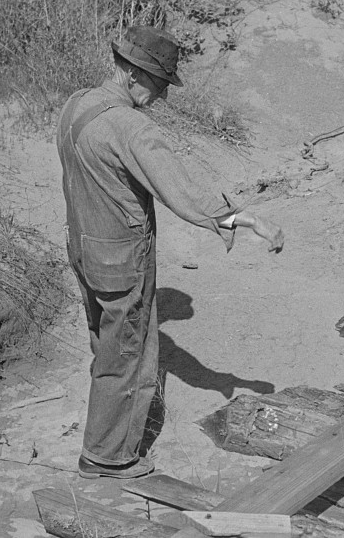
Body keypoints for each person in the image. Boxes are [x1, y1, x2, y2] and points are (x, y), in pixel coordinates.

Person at [56, 25, 284, 479]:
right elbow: (181, 191)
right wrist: (243, 218)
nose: (161, 97)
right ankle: (108, 457)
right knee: (131, 356)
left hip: (83, 249)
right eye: (161, 85)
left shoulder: (75, 104)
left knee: (106, 346)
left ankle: (103, 439)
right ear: (137, 75)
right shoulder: (131, 126)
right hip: (121, 257)